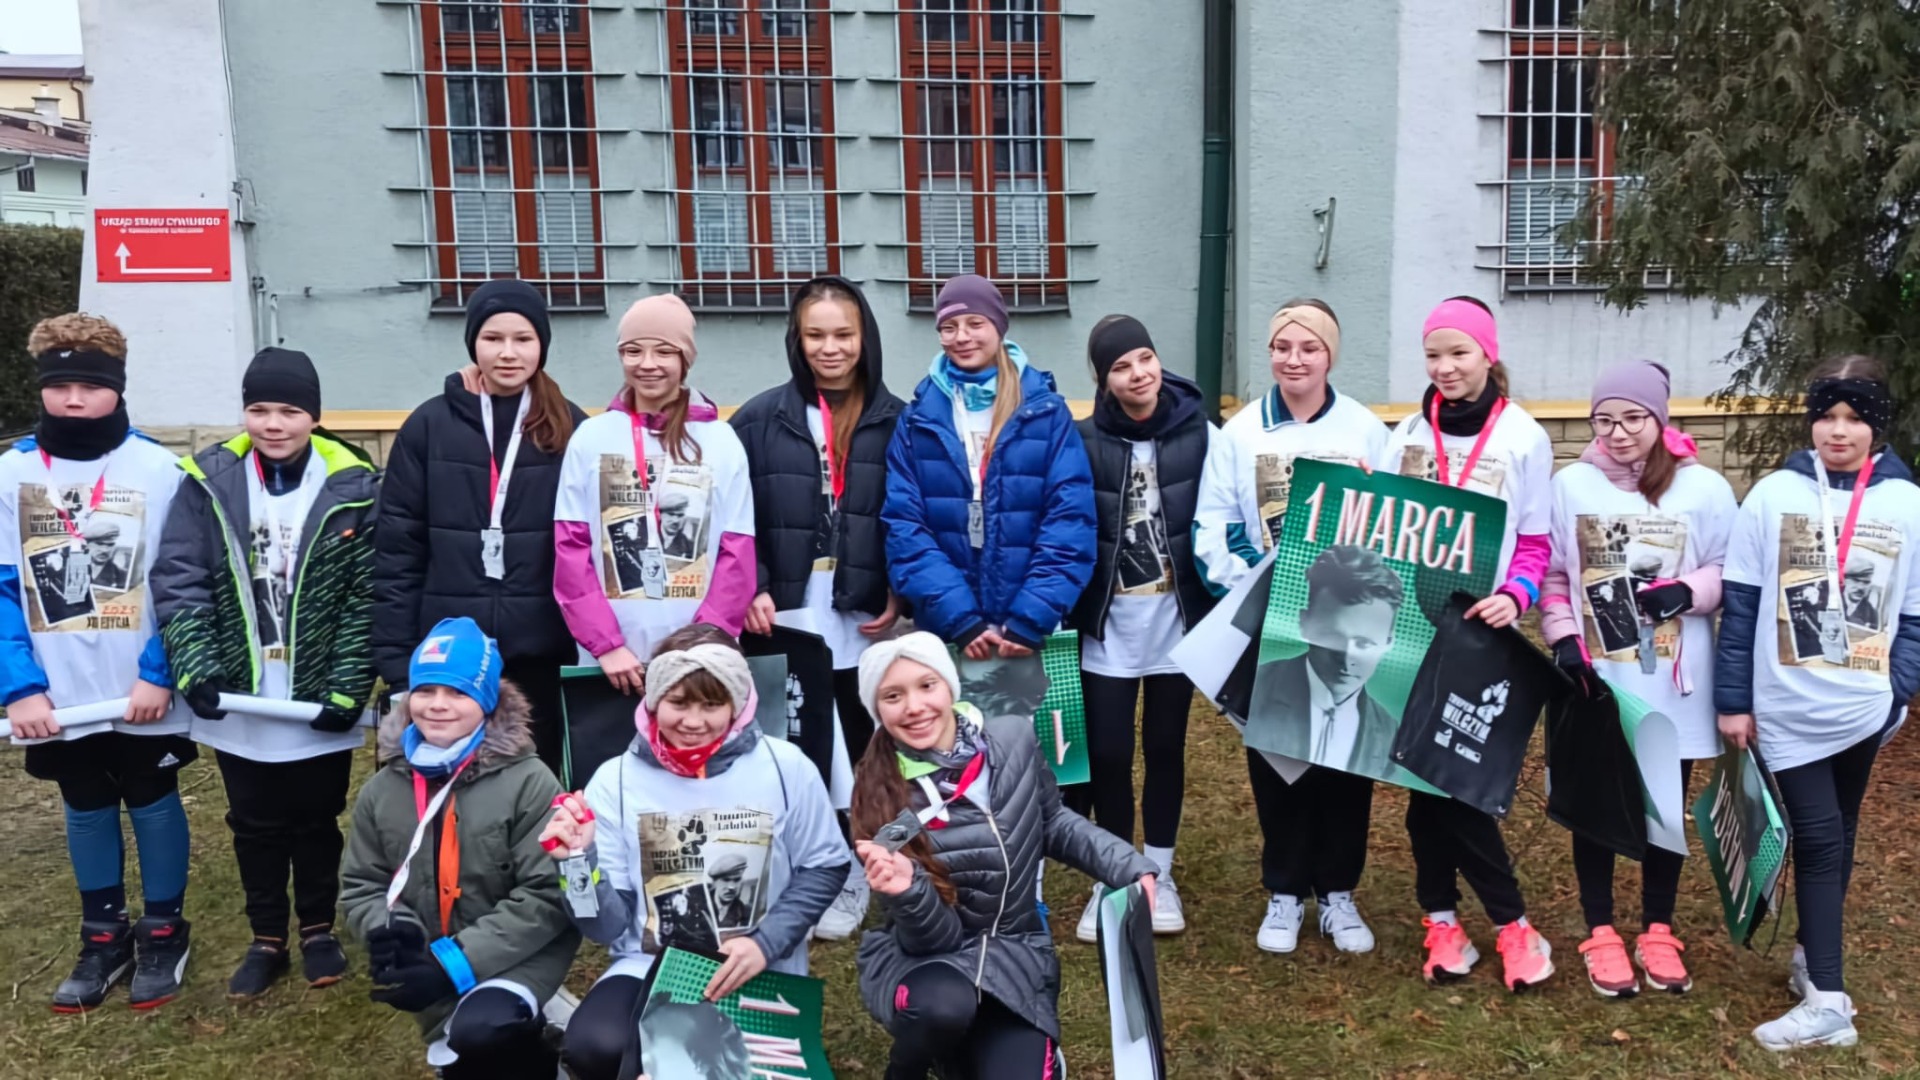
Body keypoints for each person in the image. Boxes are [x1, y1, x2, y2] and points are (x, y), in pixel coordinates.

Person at [151, 347, 382, 999]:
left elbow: (366, 594)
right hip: (240, 691)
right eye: (259, 409)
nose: (273, 424)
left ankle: (318, 929)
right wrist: (196, 664)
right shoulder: (207, 481)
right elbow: (181, 576)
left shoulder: (354, 483)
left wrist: (348, 684)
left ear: (314, 415)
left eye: (289, 410)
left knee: (316, 816)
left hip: (317, 691)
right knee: (253, 820)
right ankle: (266, 937)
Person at [1715, 355, 1920, 1049]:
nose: (1838, 431)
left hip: (1863, 706)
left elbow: (1914, 614)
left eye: (1854, 418)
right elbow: (1741, 607)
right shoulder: (1774, 494)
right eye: (1826, 416)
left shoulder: (1907, 504)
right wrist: (1733, 701)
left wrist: (1896, 692)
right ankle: (1828, 994)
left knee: (1839, 830)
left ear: (1877, 425)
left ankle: (1817, 972)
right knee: (1820, 835)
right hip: (1787, 706)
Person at [541, 627, 848, 1080]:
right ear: (653, 701)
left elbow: (825, 866)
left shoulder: (786, 767)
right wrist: (576, 864)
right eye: (679, 702)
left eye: (712, 704)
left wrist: (765, 944)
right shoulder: (615, 779)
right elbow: (605, 927)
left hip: (755, 965)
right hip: (648, 964)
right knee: (596, 1047)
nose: (694, 722)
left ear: (738, 704)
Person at [847, 632, 1157, 1079]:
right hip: (930, 962)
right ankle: (908, 1070)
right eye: (893, 696)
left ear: (950, 686)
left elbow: (1053, 822)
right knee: (943, 1010)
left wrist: (1128, 867)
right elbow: (933, 941)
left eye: (926, 685)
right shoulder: (881, 796)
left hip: (1015, 950)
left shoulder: (1012, 736)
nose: (914, 707)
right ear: (877, 709)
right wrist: (908, 891)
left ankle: (965, 1054)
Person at [0, 314, 195, 1011]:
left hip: (141, 685)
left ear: (117, 387)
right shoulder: (13, 471)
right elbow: (1, 587)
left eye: (90, 386)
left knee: (152, 795)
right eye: (60, 387)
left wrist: (158, 672)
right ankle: (103, 935)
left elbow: (183, 581)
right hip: (58, 691)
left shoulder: (161, 469)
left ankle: (165, 929)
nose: (74, 400)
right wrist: (19, 688)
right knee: (83, 801)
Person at [1192, 299, 1389, 956]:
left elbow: (1392, 523)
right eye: (1282, 346)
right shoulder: (1240, 432)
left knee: (1344, 758)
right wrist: (1261, 586)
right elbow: (1214, 526)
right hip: (1274, 619)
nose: (1294, 359)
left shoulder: (1366, 431)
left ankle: (1338, 891)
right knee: (1278, 753)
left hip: (1347, 622)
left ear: (1331, 355)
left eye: (1309, 347)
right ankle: (1284, 890)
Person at [1540, 360, 1737, 999]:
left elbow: (1729, 567)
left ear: (1660, 418)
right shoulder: (1571, 485)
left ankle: (1658, 927)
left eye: (1633, 418)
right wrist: (1563, 638)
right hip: (1600, 675)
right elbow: (1555, 574)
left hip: (1676, 683)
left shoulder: (1703, 487)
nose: (1618, 433)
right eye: (1604, 420)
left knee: (1663, 808)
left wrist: (1689, 590)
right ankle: (1600, 929)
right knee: (1595, 802)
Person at [1378, 296, 1556, 990]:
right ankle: (1444, 921)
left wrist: (1517, 595)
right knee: (1421, 778)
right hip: (1413, 628)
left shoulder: (1523, 437)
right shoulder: (1405, 434)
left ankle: (1508, 924)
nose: (1445, 367)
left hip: (1480, 632)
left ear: (1488, 353)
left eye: (1459, 353)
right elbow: (1381, 522)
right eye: (1433, 355)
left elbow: (1535, 542)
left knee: (1459, 784)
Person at [730, 275, 906, 939]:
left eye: (843, 334)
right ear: (796, 341)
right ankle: (808, 865)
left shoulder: (897, 419)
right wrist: (754, 584)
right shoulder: (760, 420)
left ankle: (866, 865)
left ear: (866, 339)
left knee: (866, 744)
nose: (830, 348)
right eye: (815, 335)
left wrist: (901, 588)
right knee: (802, 745)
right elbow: (735, 517)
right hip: (789, 612)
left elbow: (913, 515)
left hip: (864, 611)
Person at [339, 617, 581, 1079]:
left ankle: (543, 1049)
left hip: (523, 951)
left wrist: (453, 964)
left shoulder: (530, 782)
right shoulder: (381, 790)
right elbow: (362, 885)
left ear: (486, 702)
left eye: (457, 692)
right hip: (430, 955)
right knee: (467, 1060)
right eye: (425, 690)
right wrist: (391, 931)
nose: (437, 705)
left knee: (482, 1032)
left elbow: (547, 895)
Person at [374, 280, 587, 774]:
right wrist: (396, 661)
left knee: (533, 784)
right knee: (452, 785)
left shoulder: (571, 426)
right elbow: (398, 550)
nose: (508, 353)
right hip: (451, 656)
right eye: (493, 339)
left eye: (523, 339)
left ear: (542, 346)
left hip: (542, 651)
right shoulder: (429, 426)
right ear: (474, 344)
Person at [1063, 314, 1216, 943]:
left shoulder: (1202, 433)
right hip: (1107, 625)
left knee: (1164, 747)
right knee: (1108, 754)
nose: (1138, 374)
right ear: (1103, 381)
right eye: (1121, 367)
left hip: (1175, 625)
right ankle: (1114, 875)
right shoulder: (1081, 440)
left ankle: (1161, 872)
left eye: (1145, 358)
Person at [882, 274, 1095, 661]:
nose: (961, 337)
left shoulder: (1046, 413)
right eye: (948, 327)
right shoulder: (917, 421)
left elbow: (1070, 520)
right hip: (948, 630)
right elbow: (904, 526)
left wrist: (1031, 616)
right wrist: (959, 618)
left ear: (998, 326)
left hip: (1029, 632)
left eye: (975, 323)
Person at [554, 294, 756, 694]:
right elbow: (571, 550)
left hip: (699, 655)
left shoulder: (720, 440)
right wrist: (606, 645)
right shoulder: (591, 438)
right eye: (633, 351)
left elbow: (737, 551)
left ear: (685, 359)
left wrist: (704, 642)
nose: (647, 364)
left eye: (664, 351)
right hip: (611, 661)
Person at [1249, 545, 1403, 778]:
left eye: (1364, 644)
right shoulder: (1257, 688)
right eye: (1333, 638)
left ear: (1388, 643)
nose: (1347, 660)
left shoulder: (1388, 733)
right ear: (1304, 624)